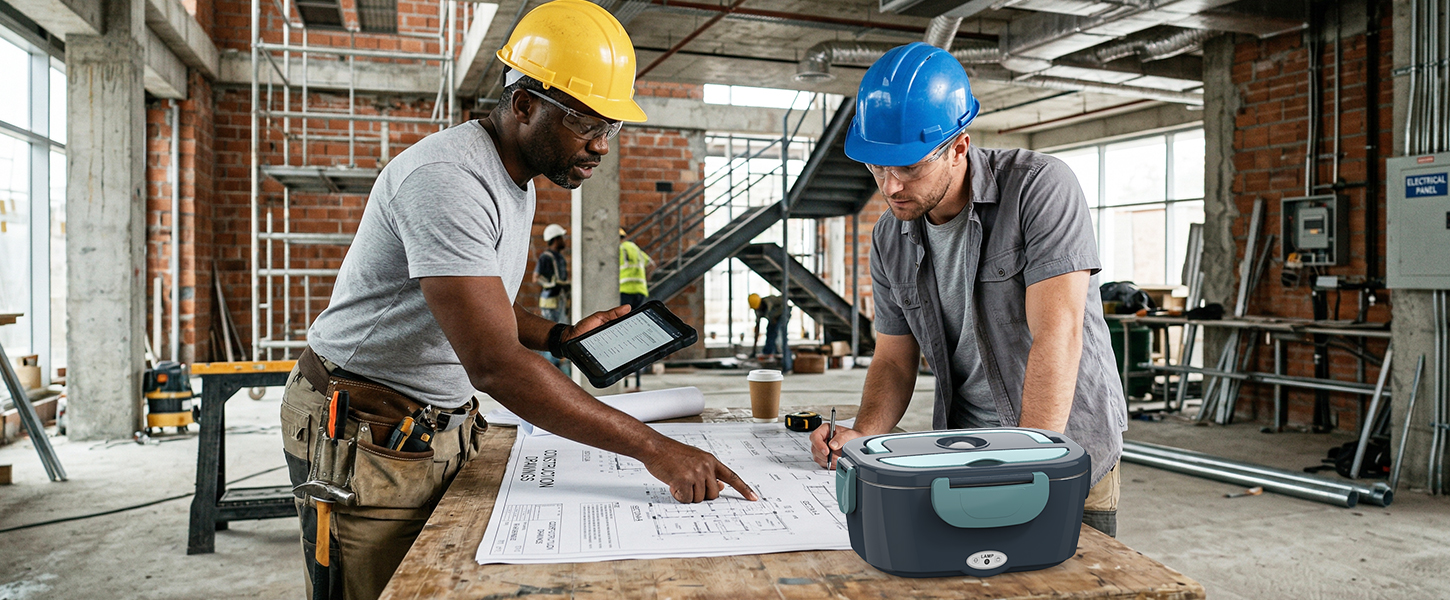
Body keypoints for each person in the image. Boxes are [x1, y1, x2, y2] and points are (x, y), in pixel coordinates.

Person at [280, 3, 755, 599]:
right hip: (363, 425)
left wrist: (558, 336)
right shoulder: (448, 179)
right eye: (586, 122)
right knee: (376, 588)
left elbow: (487, 304)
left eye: (611, 127)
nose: (601, 146)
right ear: (525, 103)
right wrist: (652, 448)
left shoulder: (516, 176)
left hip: (426, 423)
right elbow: (494, 364)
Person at [807, 42, 1127, 537]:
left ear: (959, 147)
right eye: (877, 167)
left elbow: (1057, 337)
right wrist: (863, 433)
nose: (890, 187)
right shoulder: (891, 235)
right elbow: (894, 358)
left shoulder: (1040, 189)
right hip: (962, 453)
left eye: (909, 167)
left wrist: (1026, 466)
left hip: (1062, 449)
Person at [536, 223, 572, 374]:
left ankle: (557, 372)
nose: (564, 240)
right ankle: (547, 371)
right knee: (550, 337)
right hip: (550, 302)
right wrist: (552, 284)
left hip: (560, 301)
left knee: (561, 336)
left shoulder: (560, 257)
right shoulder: (546, 257)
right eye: (561, 238)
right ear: (555, 239)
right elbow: (536, 277)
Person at [618, 227, 655, 309]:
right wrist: (646, 278)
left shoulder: (619, 249)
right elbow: (651, 265)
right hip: (640, 290)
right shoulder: (635, 248)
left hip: (625, 290)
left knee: (622, 318)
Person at [747, 293, 785, 358]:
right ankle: (768, 352)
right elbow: (757, 328)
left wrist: (776, 316)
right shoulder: (758, 310)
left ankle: (779, 352)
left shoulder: (770, 300)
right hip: (773, 317)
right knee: (770, 330)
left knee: (776, 331)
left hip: (783, 313)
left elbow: (784, 299)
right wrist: (754, 349)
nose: (757, 309)